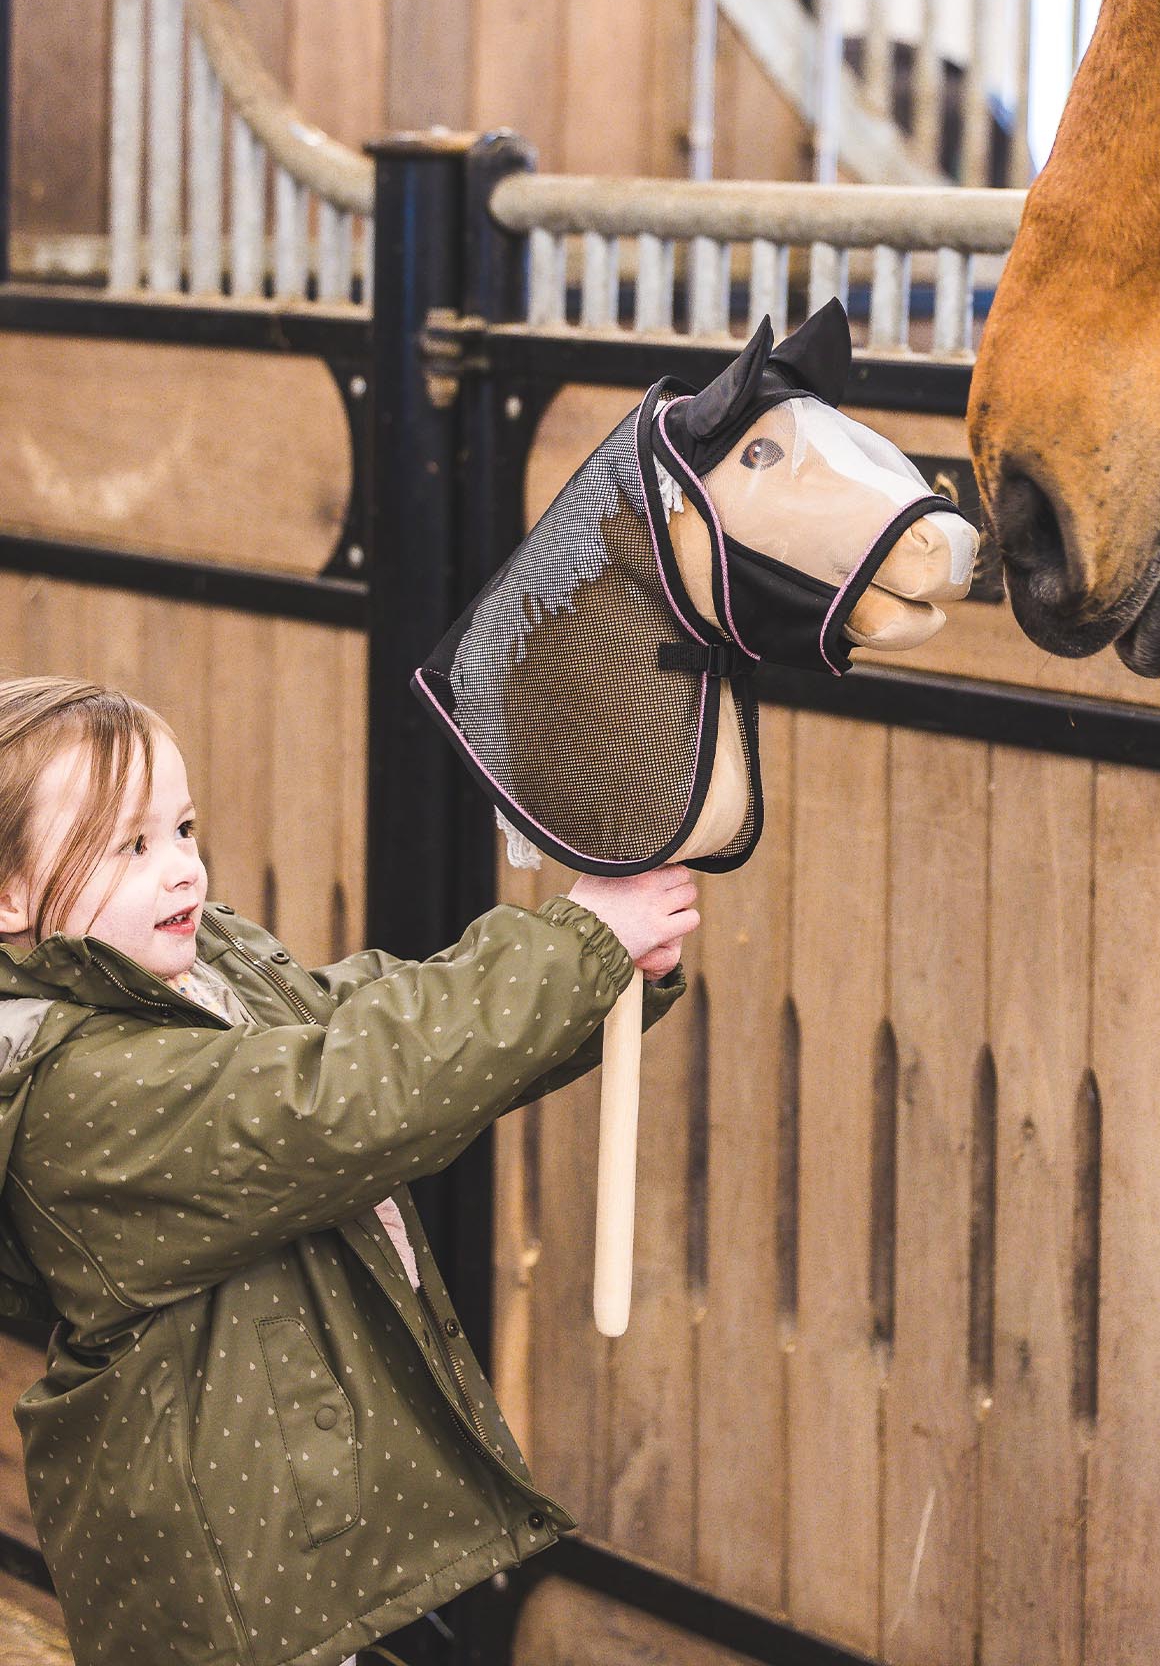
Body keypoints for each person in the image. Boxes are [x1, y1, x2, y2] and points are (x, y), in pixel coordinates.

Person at [0, 675, 699, 1666]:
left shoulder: (203, 978)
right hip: (220, 1581)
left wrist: (606, 975)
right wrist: (579, 944)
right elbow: (347, 1095)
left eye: (185, 827)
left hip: (293, 1554)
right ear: (10, 894)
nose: (184, 872)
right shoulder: (74, 1089)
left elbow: (392, 1016)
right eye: (131, 846)